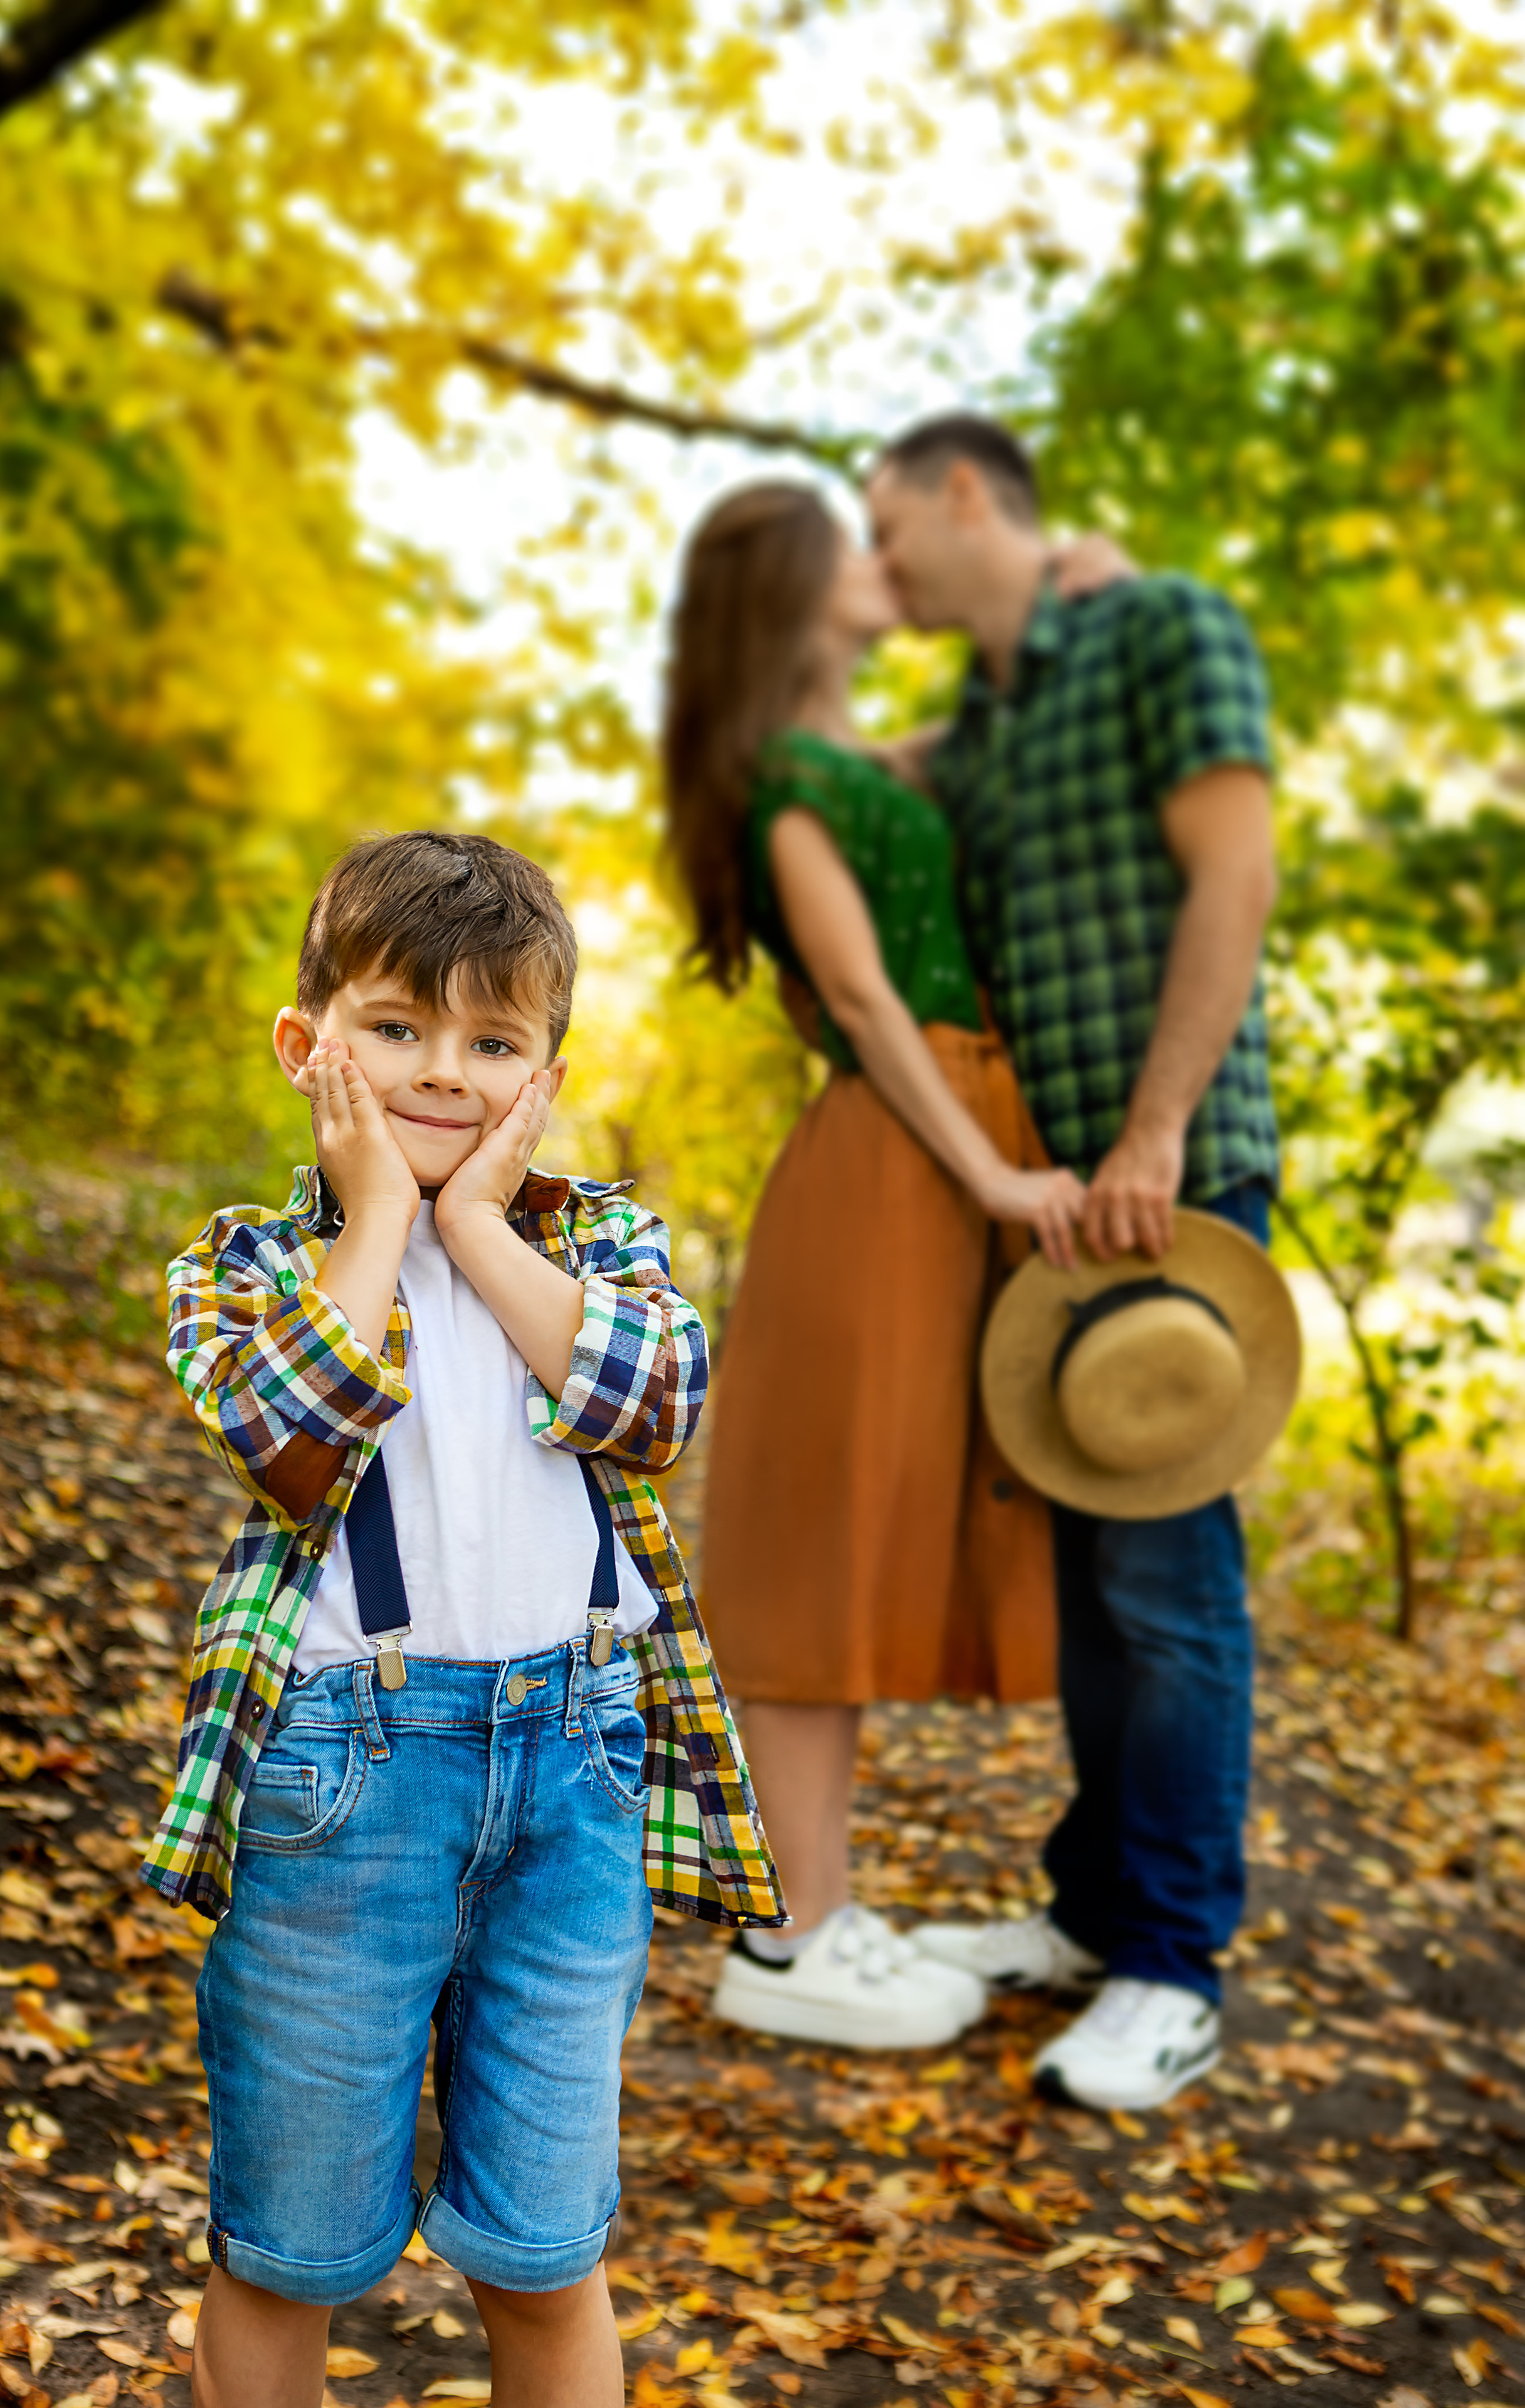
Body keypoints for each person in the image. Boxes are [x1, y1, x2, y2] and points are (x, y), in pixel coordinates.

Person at [141, 832, 781, 2408]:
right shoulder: (253, 1264)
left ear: (545, 1074)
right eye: (395, 1027)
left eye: (492, 1043)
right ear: (310, 1046)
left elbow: (654, 1403)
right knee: (285, 2248)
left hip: (573, 1773)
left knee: (546, 2249)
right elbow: (291, 1443)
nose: (442, 1074)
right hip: (341, 1784)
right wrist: (377, 1222)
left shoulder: (607, 1250)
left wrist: (481, 1231)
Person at [662, 482, 1111, 2052]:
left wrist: (1070, 591)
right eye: (849, 548)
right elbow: (854, 999)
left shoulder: (859, 762)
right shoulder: (783, 781)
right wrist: (984, 1162)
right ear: (792, 597)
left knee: (876, 1529)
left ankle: (813, 1915)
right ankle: (786, 1936)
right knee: (818, 1541)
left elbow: (990, 727)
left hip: (945, 1150)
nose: (881, 564)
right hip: (896, 1160)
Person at [868, 413, 1279, 2113]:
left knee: (1172, 1587)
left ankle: (1175, 1968)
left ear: (973, 496)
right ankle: (1097, 1916)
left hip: (1167, 1177)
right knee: (1102, 1590)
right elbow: (835, 777)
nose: (884, 578)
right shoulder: (988, 721)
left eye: (892, 538)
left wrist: (1158, 1131)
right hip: (1051, 1206)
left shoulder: (1166, 623)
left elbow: (1235, 871)